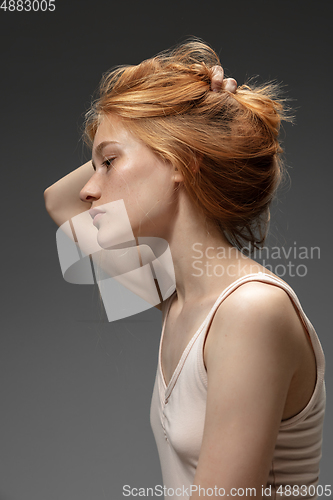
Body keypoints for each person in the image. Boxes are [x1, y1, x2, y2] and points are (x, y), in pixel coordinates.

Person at [44, 40, 326, 499]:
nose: (90, 189)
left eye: (109, 163)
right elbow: (58, 202)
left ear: (179, 162)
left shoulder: (251, 310)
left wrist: (181, 126)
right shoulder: (177, 295)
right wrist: (187, 122)